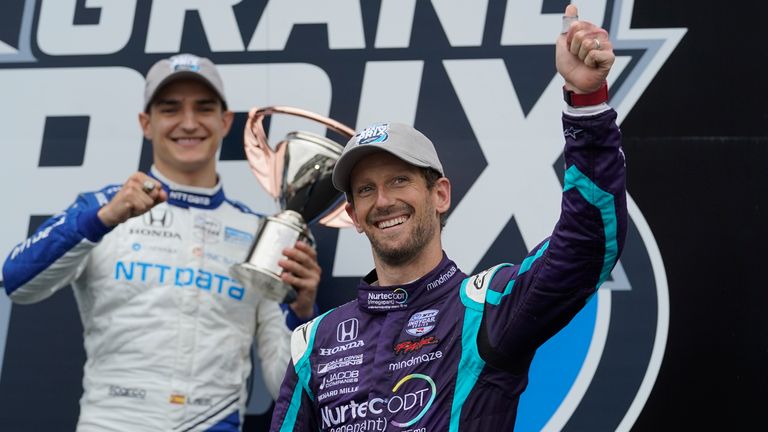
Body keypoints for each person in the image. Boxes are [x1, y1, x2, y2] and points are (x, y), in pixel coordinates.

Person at [269, 5, 626, 431]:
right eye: (366, 189)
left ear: (440, 194)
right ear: (354, 215)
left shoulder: (485, 308)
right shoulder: (315, 342)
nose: (383, 201)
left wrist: (586, 104)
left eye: (399, 180)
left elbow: (586, 248)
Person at [2, 53, 322, 431]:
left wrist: (305, 314)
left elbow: (280, 383)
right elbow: (16, 283)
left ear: (225, 122)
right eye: (170, 109)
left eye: (203, 109)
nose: (189, 123)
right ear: (146, 123)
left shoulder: (262, 234)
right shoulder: (103, 210)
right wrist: (100, 220)